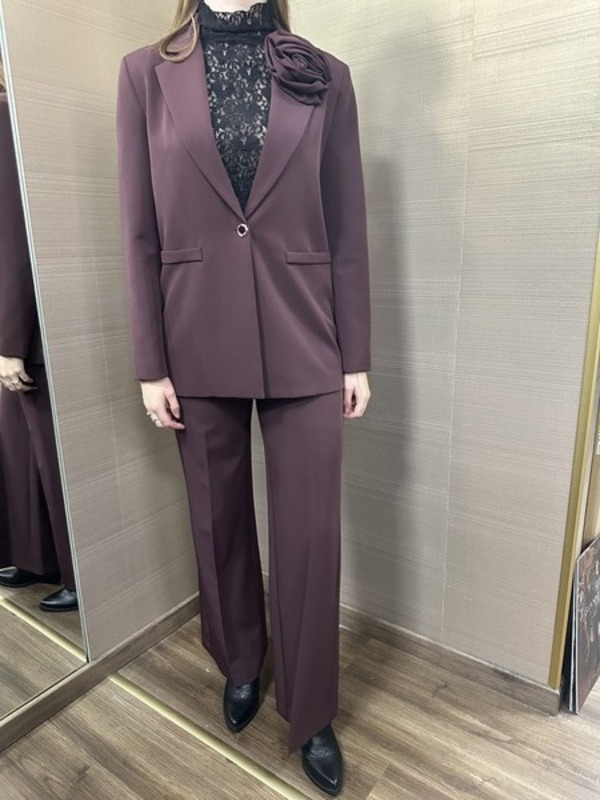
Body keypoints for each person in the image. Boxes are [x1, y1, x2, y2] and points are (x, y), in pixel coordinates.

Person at [116, 0, 371, 794]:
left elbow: (348, 226)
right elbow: (139, 231)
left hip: (306, 332)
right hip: (193, 334)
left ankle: (312, 706)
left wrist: (356, 356)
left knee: (311, 529)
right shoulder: (143, 75)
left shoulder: (325, 75)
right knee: (216, 513)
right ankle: (239, 662)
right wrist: (150, 364)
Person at [0, 60, 78, 612]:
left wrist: (11, 341)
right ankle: (36, 557)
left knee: (50, 456)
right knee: (19, 451)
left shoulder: (5, 118)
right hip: (9, 325)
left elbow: (14, 238)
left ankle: (78, 573)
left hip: (23, 329)